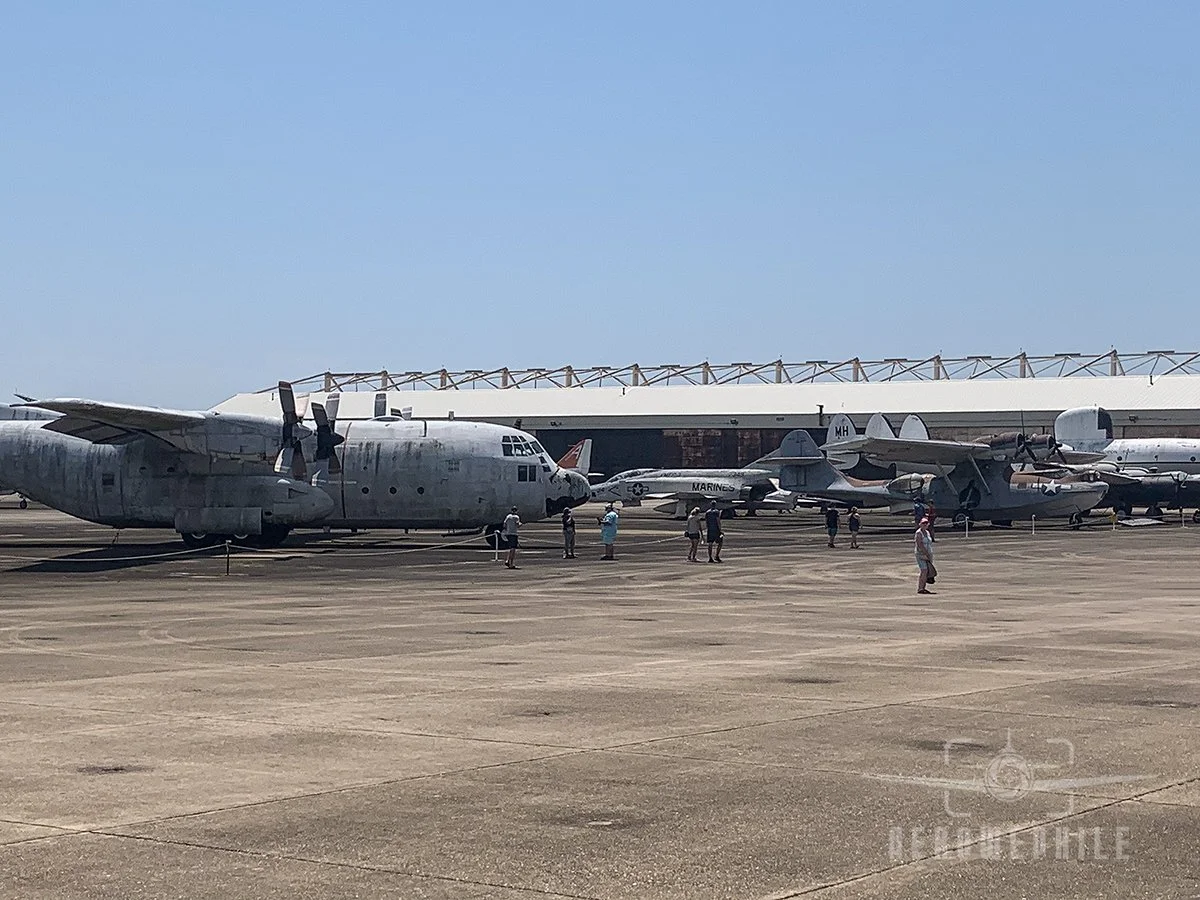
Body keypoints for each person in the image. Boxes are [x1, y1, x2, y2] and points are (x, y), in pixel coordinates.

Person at [915, 517, 935, 594]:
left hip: (929, 553)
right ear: (920, 524)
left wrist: (929, 554)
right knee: (924, 570)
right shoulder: (918, 533)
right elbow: (919, 544)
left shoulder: (927, 532)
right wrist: (925, 553)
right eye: (923, 523)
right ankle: (920, 588)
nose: (925, 525)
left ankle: (923, 587)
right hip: (921, 554)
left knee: (927, 571)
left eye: (926, 523)